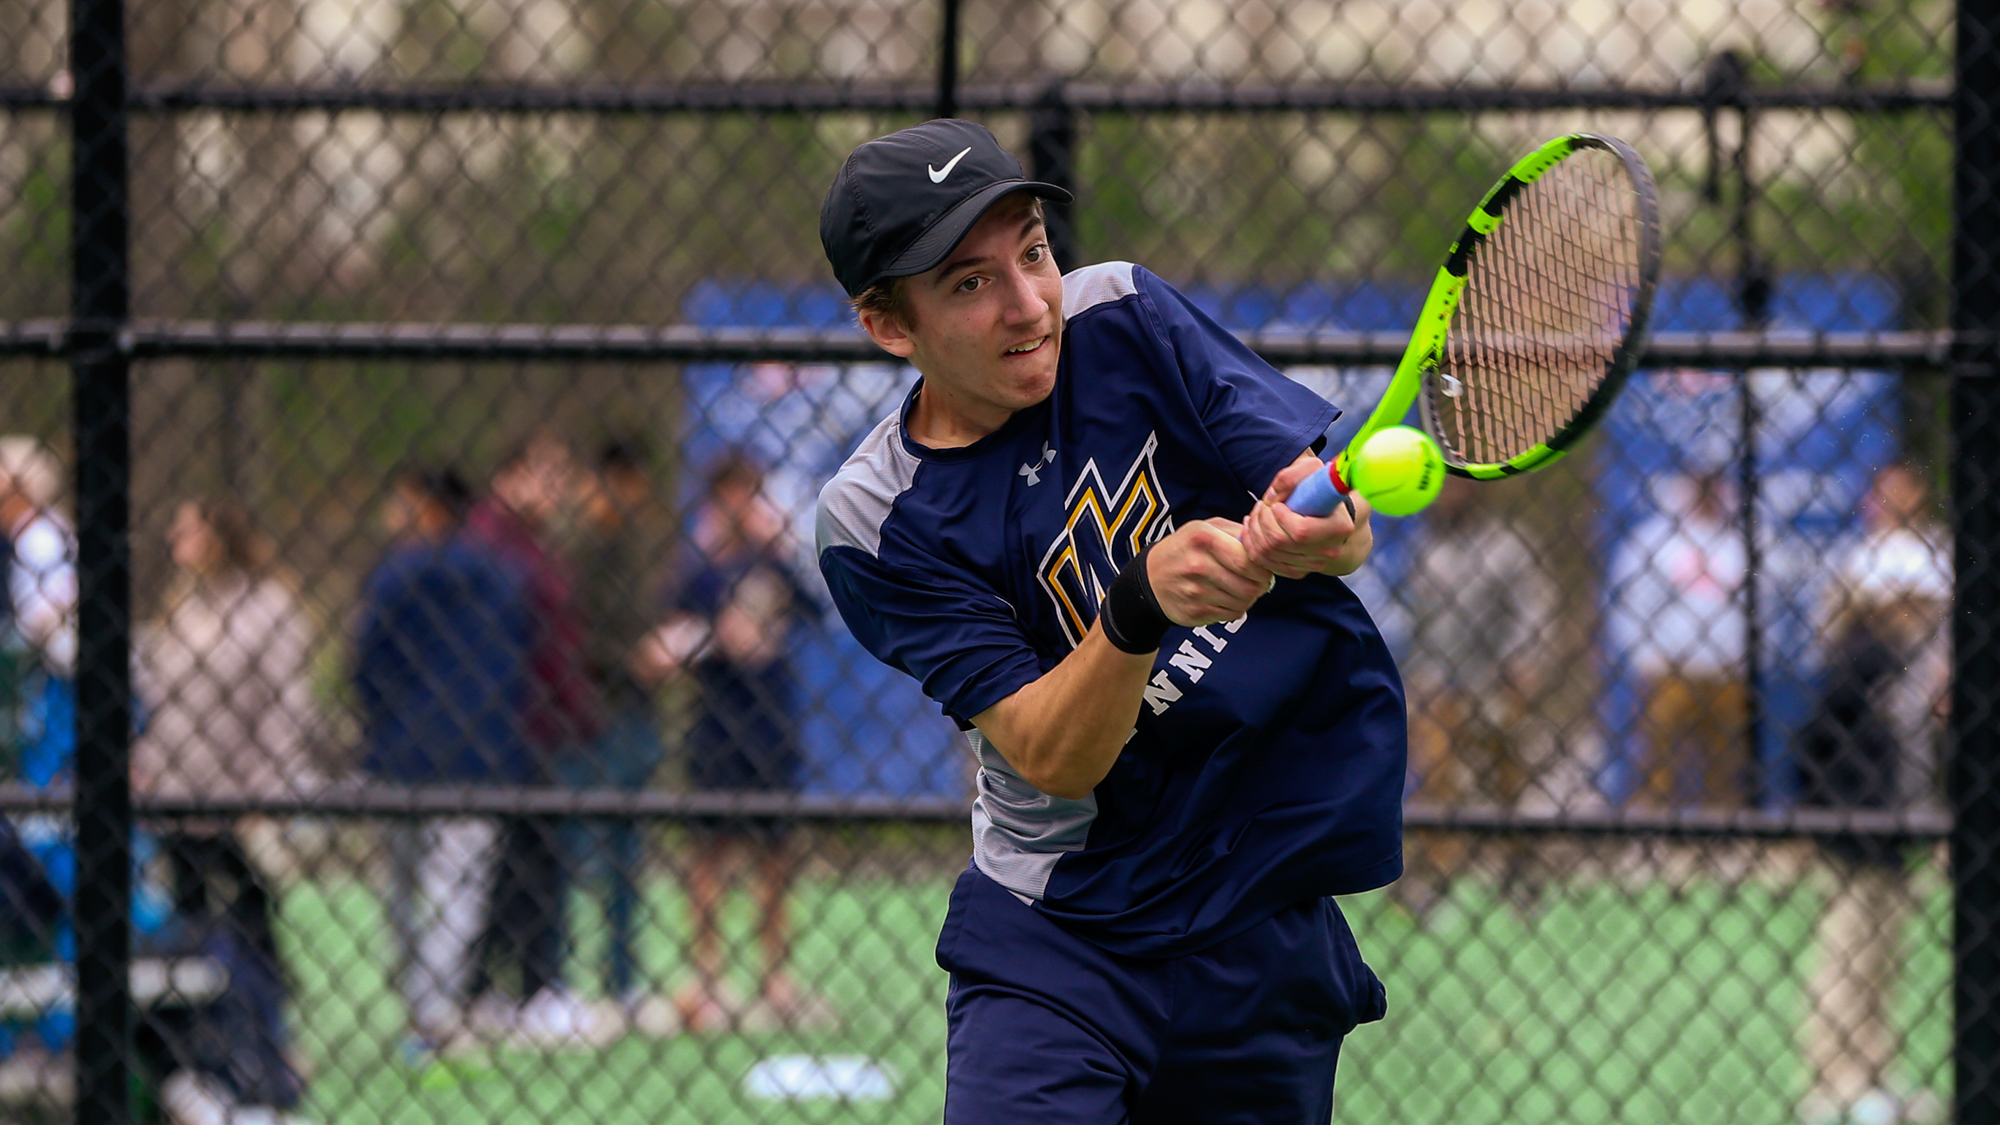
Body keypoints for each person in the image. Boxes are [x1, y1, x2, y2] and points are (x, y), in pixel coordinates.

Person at [812, 120, 1400, 1121]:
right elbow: (1051, 750)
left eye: (1032, 251)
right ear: (887, 325)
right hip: (1061, 931)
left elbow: (1337, 527)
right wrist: (1136, 606)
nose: (1027, 304)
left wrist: (1316, 527)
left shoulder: (1124, 312)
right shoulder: (876, 519)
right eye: (968, 283)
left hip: (1249, 894)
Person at [130, 497, 316, 1123]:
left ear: (219, 532)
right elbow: (160, 700)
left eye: (188, 526)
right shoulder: (180, 606)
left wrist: (267, 794)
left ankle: (271, 1053)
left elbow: (286, 705)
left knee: (251, 924)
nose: (175, 537)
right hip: (178, 795)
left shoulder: (267, 606)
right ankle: (210, 1061)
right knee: (190, 928)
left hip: (239, 796)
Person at [632, 450, 818, 1032]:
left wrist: (785, 545)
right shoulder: (699, 572)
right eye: (732, 492)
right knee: (706, 857)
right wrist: (715, 636)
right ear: (715, 499)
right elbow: (667, 638)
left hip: (771, 728)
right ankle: (707, 976)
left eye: (751, 491)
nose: (742, 504)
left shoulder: (778, 564)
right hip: (715, 727)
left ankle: (775, 977)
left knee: (774, 858)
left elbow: (819, 608)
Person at [355, 468, 535, 1057]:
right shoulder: (503, 576)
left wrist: (382, 725)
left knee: (404, 887)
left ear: (429, 506)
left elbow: (365, 666)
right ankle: (436, 1012)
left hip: (403, 754)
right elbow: (521, 661)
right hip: (479, 751)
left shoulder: (393, 576)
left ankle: (419, 1011)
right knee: (458, 889)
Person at [1794, 460, 1949, 1125]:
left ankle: (1871, 1076)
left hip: (1892, 827)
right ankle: (1833, 1084)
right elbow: (1814, 745)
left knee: (1883, 957)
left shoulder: (1916, 664)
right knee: (1850, 954)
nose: (1923, 613)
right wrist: (1836, 813)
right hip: (1859, 827)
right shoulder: (1861, 660)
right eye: (1911, 602)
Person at [465, 434, 603, 1043]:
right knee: (524, 859)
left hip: (538, 725)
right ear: (514, 475)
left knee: (527, 858)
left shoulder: (529, 545)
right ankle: (527, 987)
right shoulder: (491, 546)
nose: (561, 490)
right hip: (509, 727)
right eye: (549, 475)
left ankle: (509, 988)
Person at [1396, 476, 1560, 915]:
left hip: (1494, 681)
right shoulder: (1425, 550)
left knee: (1508, 778)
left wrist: (1522, 668)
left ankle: (1519, 873)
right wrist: (1417, 682)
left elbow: (1533, 611)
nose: (1451, 497)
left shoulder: (1507, 546)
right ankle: (1433, 879)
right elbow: (1413, 622)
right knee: (1438, 778)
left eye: (1458, 488)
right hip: (1437, 683)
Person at [561, 439, 668, 1011]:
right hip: (593, 715)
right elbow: (573, 636)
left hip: (634, 711)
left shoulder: (634, 544)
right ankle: (566, 982)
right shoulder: (581, 546)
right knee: (580, 849)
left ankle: (620, 979)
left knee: (628, 853)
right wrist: (631, 654)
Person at [1607, 470, 1750, 808]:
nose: (1707, 495)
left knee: (1726, 758)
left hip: (1727, 670)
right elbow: (1629, 602)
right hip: (1670, 668)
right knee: (1658, 755)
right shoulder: (1654, 540)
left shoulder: (1742, 542)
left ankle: (1723, 828)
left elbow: (1764, 604)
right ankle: (1653, 828)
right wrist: (1643, 657)